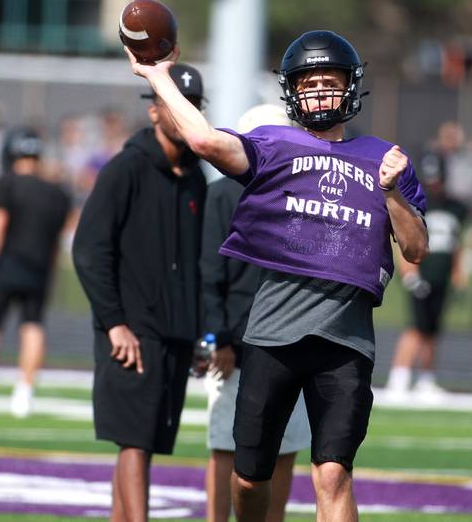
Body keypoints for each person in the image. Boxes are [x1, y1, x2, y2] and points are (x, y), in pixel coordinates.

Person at [124, 29, 428, 522]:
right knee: (248, 477)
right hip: (272, 335)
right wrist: (158, 75)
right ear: (292, 91)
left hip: (346, 341)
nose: (320, 92)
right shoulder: (274, 144)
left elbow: (415, 250)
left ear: (350, 87)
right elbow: (202, 139)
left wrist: (392, 193)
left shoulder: (385, 158)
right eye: (309, 83)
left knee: (333, 474)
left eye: (329, 81)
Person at [71, 63, 208, 521]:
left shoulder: (195, 179)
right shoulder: (124, 168)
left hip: (175, 332)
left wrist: (201, 333)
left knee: (144, 443)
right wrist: (114, 323)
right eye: (173, 104)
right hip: (132, 330)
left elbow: (198, 262)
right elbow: (89, 250)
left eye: (191, 105)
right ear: (153, 111)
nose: (181, 113)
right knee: (135, 440)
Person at [201, 104, 311, 522]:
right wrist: (219, 338)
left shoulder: (305, 189)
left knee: (284, 446)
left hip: (292, 338)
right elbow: (209, 271)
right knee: (228, 445)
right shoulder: (224, 192)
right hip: (238, 342)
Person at [0, 127, 71, 418]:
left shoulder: (6, 184)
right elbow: (57, 241)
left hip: (7, 264)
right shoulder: (57, 192)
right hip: (40, 268)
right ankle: (25, 392)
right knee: (32, 326)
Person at [385, 152, 467, 398]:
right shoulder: (415, 199)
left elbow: (457, 243)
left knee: (433, 330)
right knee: (416, 328)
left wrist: (458, 272)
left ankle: (426, 377)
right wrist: (410, 274)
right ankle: (399, 376)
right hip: (420, 275)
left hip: (441, 276)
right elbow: (403, 238)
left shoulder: (456, 207)